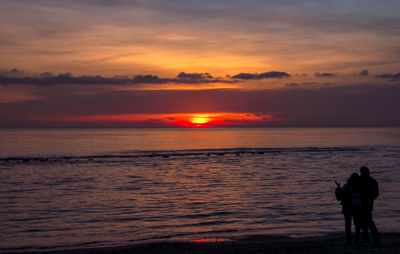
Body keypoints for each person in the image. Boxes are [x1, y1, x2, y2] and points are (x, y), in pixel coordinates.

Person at [335, 173, 362, 244]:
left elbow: (341, 194)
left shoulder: (347, 185)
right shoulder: (360, 186)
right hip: (358, 205)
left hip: (348, 205)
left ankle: (349, 239)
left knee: (348, 223)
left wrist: (338, 187)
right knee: (357, 223)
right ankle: (357, 239)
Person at [359, 166, 381, 244]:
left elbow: (376, 193)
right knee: (364, 220)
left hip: (367, 202)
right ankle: (370, 236)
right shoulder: (364, 180)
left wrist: (370, 198)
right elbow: (376, 193)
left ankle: (373, 236)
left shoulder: (370, 181)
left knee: (367, 220)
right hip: (363, 202)